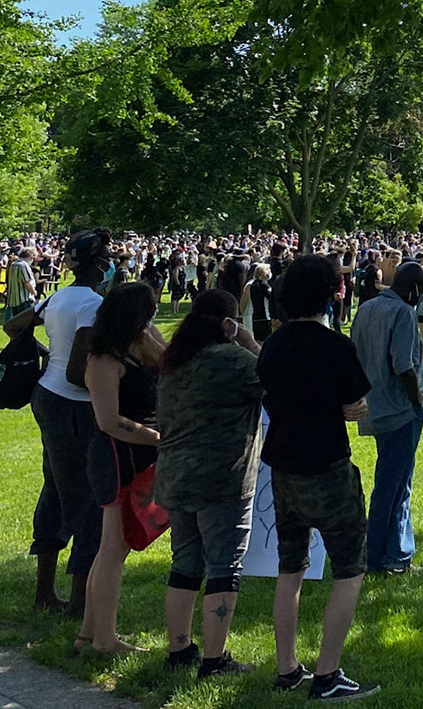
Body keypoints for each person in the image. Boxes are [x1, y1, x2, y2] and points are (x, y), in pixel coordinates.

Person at [258, 255, 378, 700]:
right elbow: (354, 404)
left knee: (290, 569)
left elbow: (272, 395)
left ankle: (287, 668)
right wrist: (354, 410)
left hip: (284, 468)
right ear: (332, 294)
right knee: (349, 569)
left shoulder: (273, 344)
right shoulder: (335, 346)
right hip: (327, 466)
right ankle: (327, 675)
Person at [154, 289, 263, 679]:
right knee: (224, 565)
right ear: (228, 325)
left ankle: (179, 649)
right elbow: (276, 379)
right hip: (222, 478)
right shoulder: (233, 360)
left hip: (175, 475)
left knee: (185, 562)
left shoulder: (173, 361)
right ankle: (215, 661)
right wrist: (249, 341)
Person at [4, 230, 110, 614]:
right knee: (88, 498)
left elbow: (13, 327)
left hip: (47, 396)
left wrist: (49, 355)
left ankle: (45, 592)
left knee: (54, 487)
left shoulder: (57, 297)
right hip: (74, 405)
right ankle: (78, 601)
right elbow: (77, 373)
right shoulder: (94, 305)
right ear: (98, 264)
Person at [78, 280, 165, 654]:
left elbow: (173, 365)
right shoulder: (103, 360)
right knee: (114, 546)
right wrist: (158, 439)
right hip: (117, 454)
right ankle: (104, 638)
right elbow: (109, 421)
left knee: (113, 547)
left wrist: (152, 342)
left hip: (141, 451)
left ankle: (88, 634)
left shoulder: (139, 347)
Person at [351, 261, 423, 575]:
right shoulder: (404, 313)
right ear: (414, 289)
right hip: (399, 409)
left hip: (373, 405)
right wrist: (417, 402)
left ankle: (393, 549)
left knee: (392, 479)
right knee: (394, 484)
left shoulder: (366, 308)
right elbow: (403, 365)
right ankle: (384, 555)